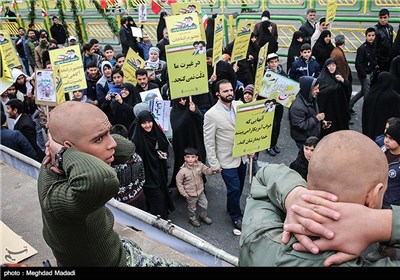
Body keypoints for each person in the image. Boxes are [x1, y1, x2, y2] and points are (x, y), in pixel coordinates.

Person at [38, 101, 184, 266]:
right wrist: (64, 154)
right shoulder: (54, 193)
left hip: (113, 248)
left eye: (108, 133)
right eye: (99, 138)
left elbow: (127, 148)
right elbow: (103, 179)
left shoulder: (69, 161)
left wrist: (68, 149)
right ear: (68, 148)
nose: (112, 143)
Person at [239, 130, 400, 266]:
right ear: (373, 196)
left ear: (308, 179)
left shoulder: (259, 238)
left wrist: (293, 194)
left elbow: (264, 176)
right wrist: (383, 223)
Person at [203, 79, 249, 230]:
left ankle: (232, 206)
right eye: (225, 91)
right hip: (226, 160)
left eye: (231, 90)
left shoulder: (240, 105)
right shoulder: (211, 115)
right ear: (217, 94)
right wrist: (214, 164)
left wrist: (251, 147)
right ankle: (236, 216)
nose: (230, 93)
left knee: (240, 186)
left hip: (242, 157)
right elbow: (209, 141)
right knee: (234, 188)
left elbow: (247, 130)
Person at [131, 110, 175, 220]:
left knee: (161, 192)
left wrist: (164, 154)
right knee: (156, 196)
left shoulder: (157, 132)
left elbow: (164, 146)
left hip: (159, 170)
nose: (147, 125)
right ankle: (162, 219)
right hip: (147, 174)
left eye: (149, 122)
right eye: (144, 123)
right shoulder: (137, 140)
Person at [366, 124, 400, 261]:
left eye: (391, 138)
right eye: (386, 136)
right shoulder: (382, 149)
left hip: (393, 203)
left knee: (388, 231)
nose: (386, 140)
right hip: (379, 196)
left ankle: (387, 252)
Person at [176, 147, 214, 227]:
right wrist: (184, 194)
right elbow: (179, 183)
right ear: (184, 158)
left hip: (200, 192)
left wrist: (214, 170)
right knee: (192, 208)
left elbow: (207, 171)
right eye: (188, 157)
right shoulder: (182, 171)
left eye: (193, 157)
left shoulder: (200, 165)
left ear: (196, 158)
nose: (190, 159)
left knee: (205, 204)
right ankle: (192, 219)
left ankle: (203, 216)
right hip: (190, 194)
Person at [289, 76, 325, 150]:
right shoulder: (297, 107)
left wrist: (322, 122)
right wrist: (316, 119)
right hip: (304, 140)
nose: (318, 91)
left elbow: (312, 114)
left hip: (311, 136)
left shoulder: (311, 98)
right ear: (308, 90)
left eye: (318, 88)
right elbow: (300, 126)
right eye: (315, 89)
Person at [349, 27, 378, 114]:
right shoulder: (362, 48)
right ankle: (368, 112)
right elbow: (358, 63)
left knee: (363, 91)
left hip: (370, 72)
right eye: (369, 35)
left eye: (373, 35)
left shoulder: (374, 46)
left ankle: (349, 105)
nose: (371, 37)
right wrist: (364, 75)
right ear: (366, 36)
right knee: (367, 94)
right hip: (365, 74)